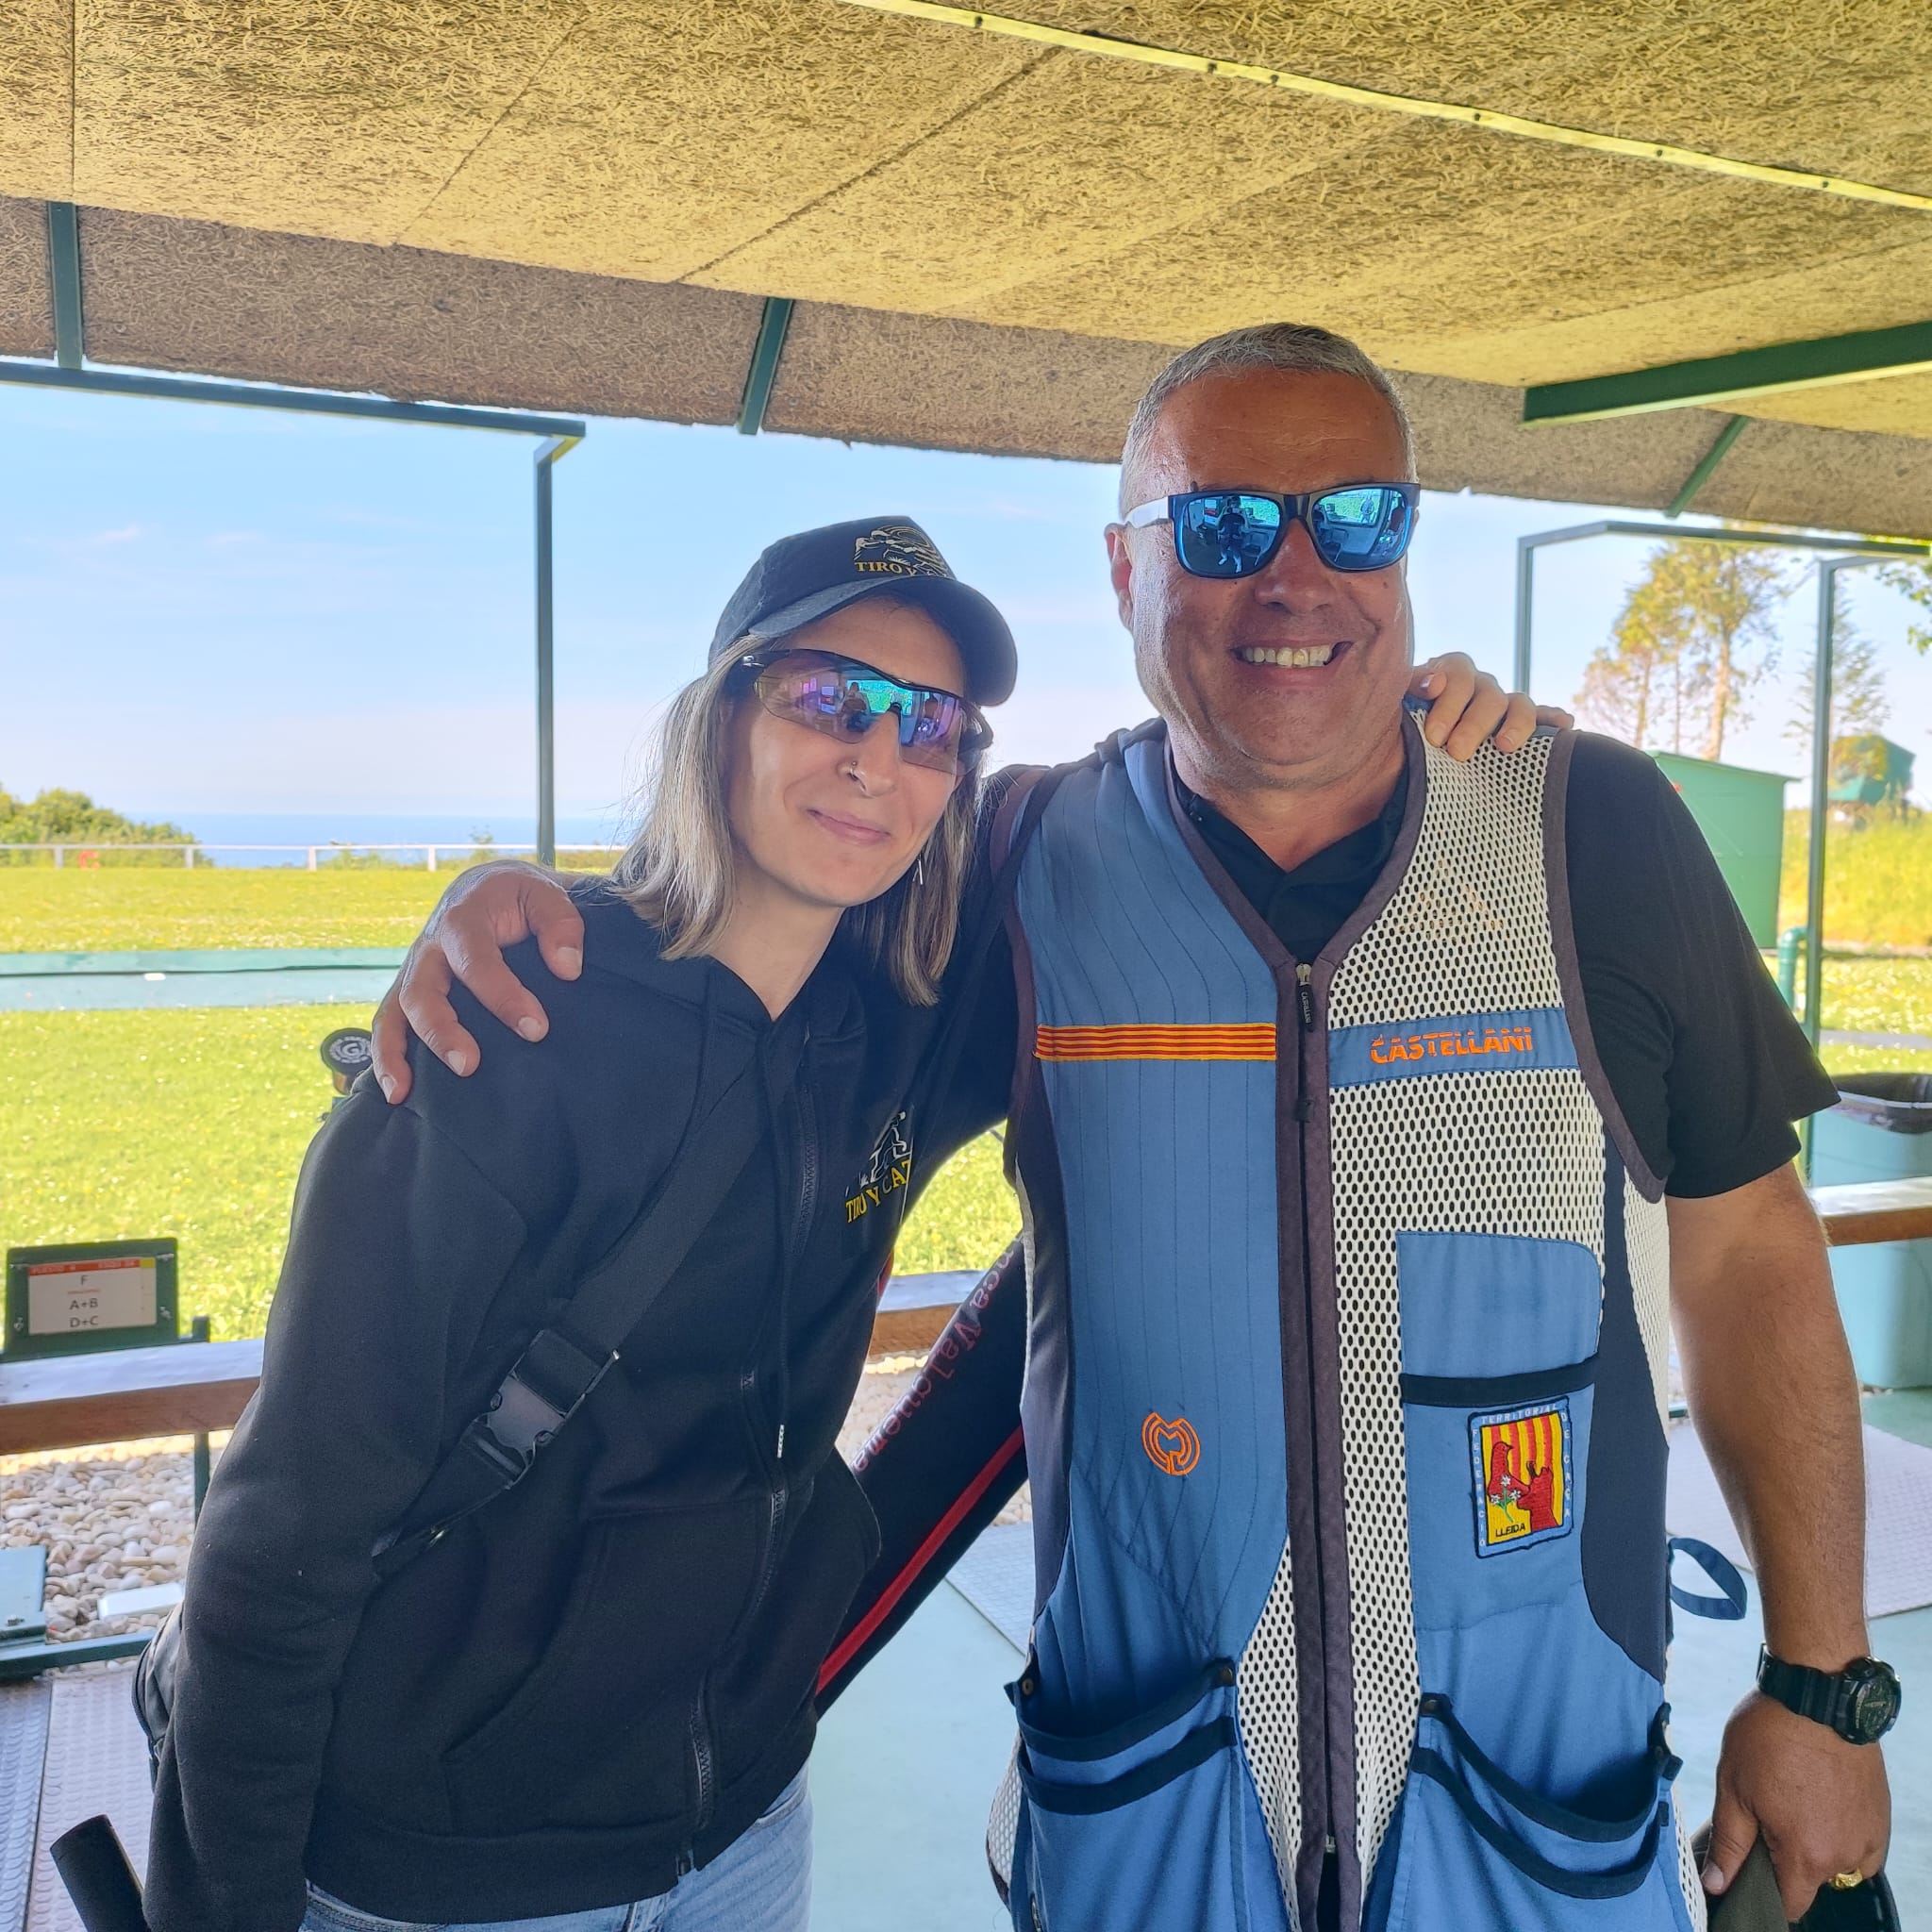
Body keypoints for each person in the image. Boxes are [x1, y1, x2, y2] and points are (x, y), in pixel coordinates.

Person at [369, 325, 1892, 1932]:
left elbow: (1748, 1257)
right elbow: (768, 960)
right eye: (1225, 526)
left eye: (1356, 519)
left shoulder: (1590, 832)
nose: (1296, 578)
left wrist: (1823, 1681)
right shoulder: (1028, 858)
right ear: (1124, 571)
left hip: (1533, 1818)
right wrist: (542, 915)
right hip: (1156, 1818)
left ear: (1411, 548)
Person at [145, 518, 1021, 1932]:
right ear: (722, 713)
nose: (879, 756)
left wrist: (1459, 743)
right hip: (448, 1867)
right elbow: (277, 1536)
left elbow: (1189, 805)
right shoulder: (509, 1035)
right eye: (828, 697)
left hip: (741, 1825)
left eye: (932, 726)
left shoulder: (904, 1033)